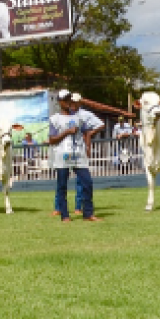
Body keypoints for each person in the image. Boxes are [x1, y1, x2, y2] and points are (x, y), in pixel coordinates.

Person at [50, 92, 99, 222]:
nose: (68, 102)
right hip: (62, 154)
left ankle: (88, 213)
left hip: (78, 154)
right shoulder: (55, 119)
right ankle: (65, 215)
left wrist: (88, 147)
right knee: (62, 186)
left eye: (69, 99)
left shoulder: (79, 117)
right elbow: (51, 139)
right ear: (59, 102)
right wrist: (66, 132)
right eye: (65, 100)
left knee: (87, 183)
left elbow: (87, 132)